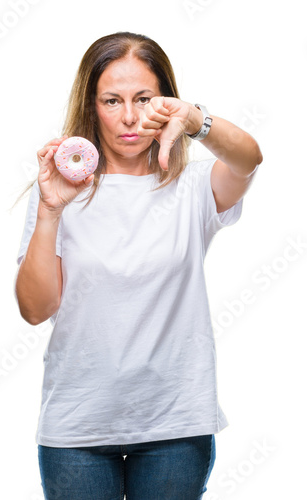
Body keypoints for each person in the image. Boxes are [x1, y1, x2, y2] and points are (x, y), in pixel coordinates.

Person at [14, 31, 263, 500]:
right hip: (77, 428)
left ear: (165, 102)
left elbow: (249, 159)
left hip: (175, 424)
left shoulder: (193, 188)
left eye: (144, 99)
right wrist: (49, 211)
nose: (129, 117)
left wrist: (197, 119)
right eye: (112, 100)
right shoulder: (58, 192)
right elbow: (35, 308)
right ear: (91, 106)